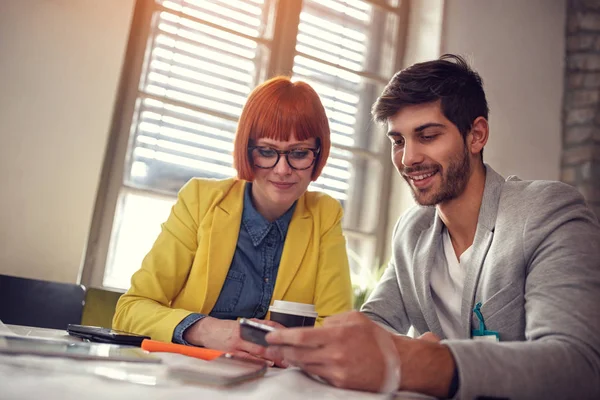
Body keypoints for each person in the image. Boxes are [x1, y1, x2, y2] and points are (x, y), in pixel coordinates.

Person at [265, 55, 600, 399]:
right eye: (398, 141)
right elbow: (376, 324)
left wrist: (428, 362)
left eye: (427, 135)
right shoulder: (412, 230)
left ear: (477, 135)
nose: (408, 158)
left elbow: (577, 366)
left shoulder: (546, 211)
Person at [113, 76, 353, 364]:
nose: (282, 169)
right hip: (186, 374)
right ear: (247, 149)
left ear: (318, 153)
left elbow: (338, 333)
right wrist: (205, 330)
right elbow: (130, 310)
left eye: (299, 153)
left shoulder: (324, 214)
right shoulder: (200, 199)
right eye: (267, 151)